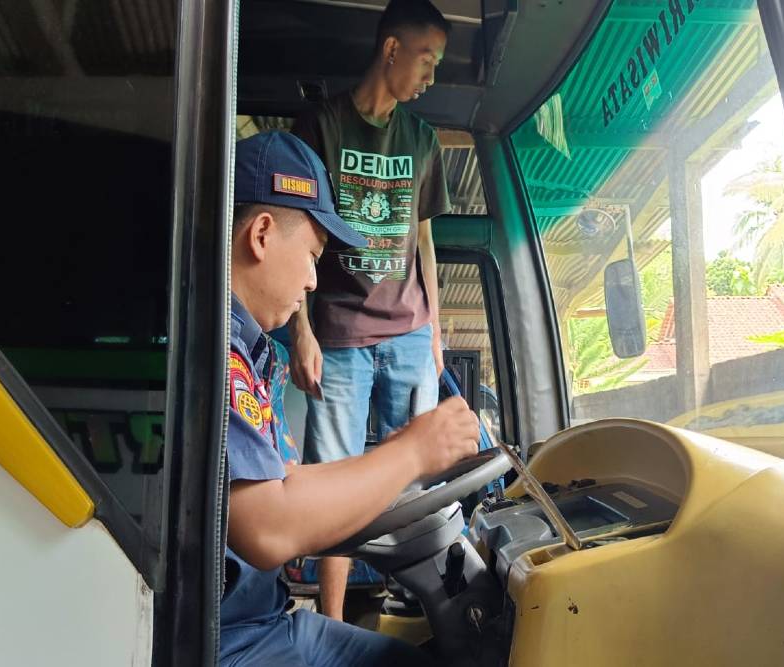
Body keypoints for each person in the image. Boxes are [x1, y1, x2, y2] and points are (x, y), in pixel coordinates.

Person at [221, 130, 479, 666]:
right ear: (262, 235)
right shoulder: (215, 351)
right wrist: (411, 452)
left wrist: (389, 478)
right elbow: (269, 527)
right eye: (313, 255)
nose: (315, 280)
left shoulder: (249, 348)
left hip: (261, 620)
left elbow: (287, 481)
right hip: (233, 639)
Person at [288, 0, 453, 620]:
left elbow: (424, 243)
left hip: (409, 332)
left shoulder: (423, 140)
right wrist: (300, 331)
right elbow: (298, 236)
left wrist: (434, 330)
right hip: (338, 330)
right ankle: (331, 620)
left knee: (415, 477)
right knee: (335, 477)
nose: (430, 77)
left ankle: (413, 606)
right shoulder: (321, 127)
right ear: (391, 50)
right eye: (427, 60)